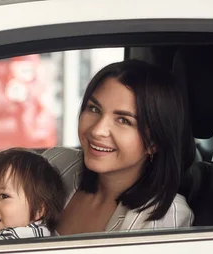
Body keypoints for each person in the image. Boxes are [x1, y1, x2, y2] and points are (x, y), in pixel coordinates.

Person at [43, 59, 194, 234]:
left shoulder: (162, 218)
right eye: (94, 109)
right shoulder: (55, 163)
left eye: (123, 120)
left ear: (154, 142)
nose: (98, 130)